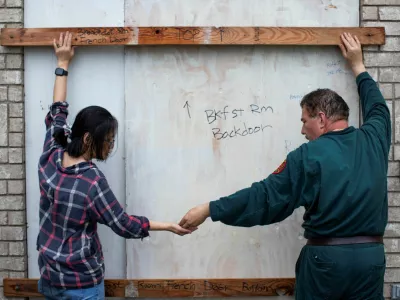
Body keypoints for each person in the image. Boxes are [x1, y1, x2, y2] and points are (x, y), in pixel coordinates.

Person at [179, 32, 390, 299]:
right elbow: (378, 108)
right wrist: (358, 66)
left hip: (326, 265)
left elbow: (264, 199)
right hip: (371, 262)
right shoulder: (374, 139)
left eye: (305, 121)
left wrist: (210, 209)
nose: (302, 130)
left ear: (322, 119)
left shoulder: (307, 156)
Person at [36, 32, 196, 300]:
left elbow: (57, 109)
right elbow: (124, 224)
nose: (110, 147)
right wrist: (169, 226)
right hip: (82, 286)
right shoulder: (91, 182)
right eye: (107, 141)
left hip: (50, 278)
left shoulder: (52, 151)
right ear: (88, 139)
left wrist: (62, 63)